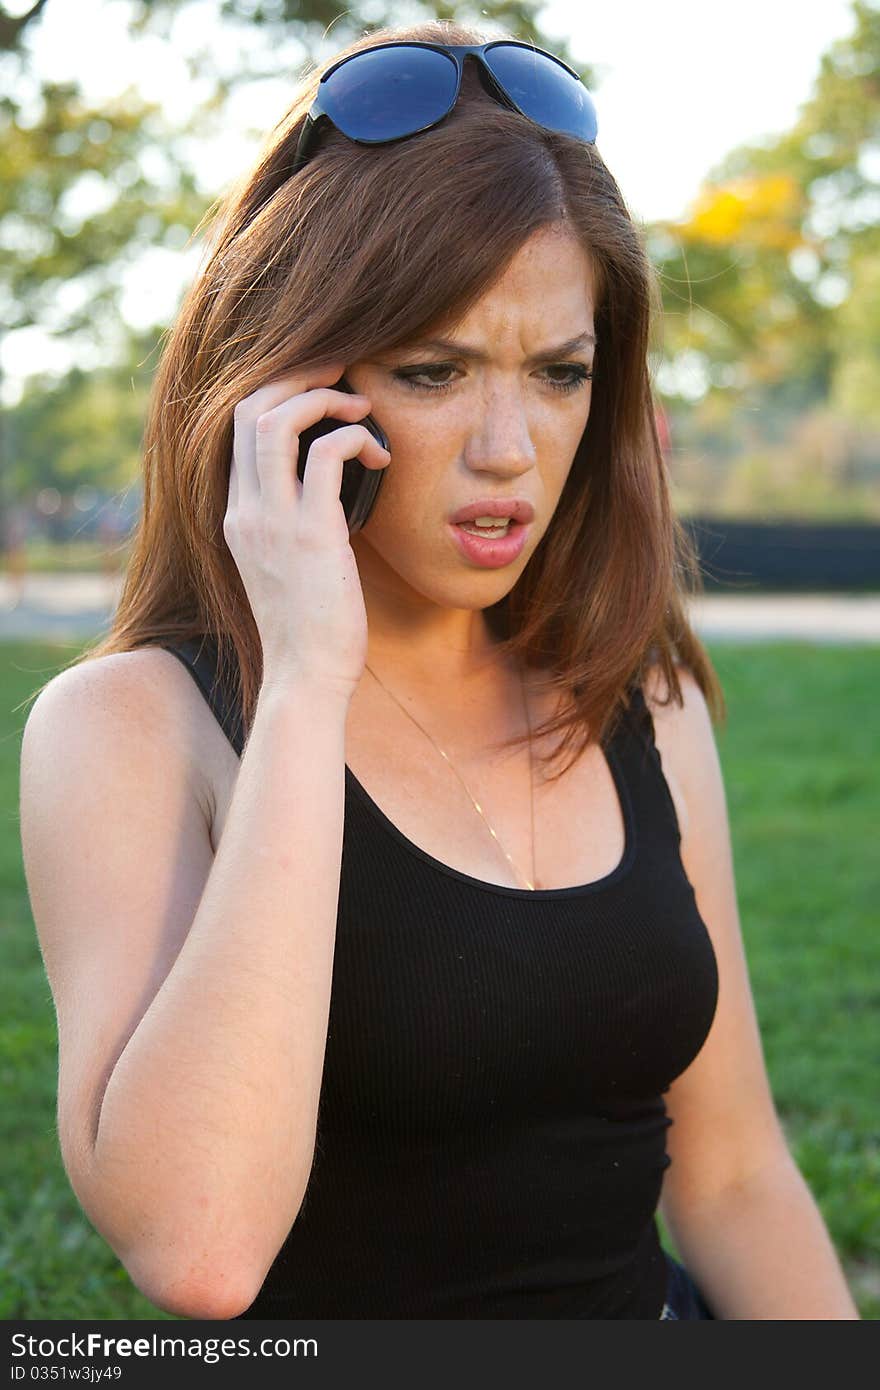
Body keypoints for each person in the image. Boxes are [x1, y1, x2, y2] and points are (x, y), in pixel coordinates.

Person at [18, 18, 859, 1321]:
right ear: (294, 387)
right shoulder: (131, 727)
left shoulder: (637, 692)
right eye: (434, 370)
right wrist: (304, 678)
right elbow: (199, 1252)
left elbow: (737, 1170)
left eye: (560, 372)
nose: (511, 449)